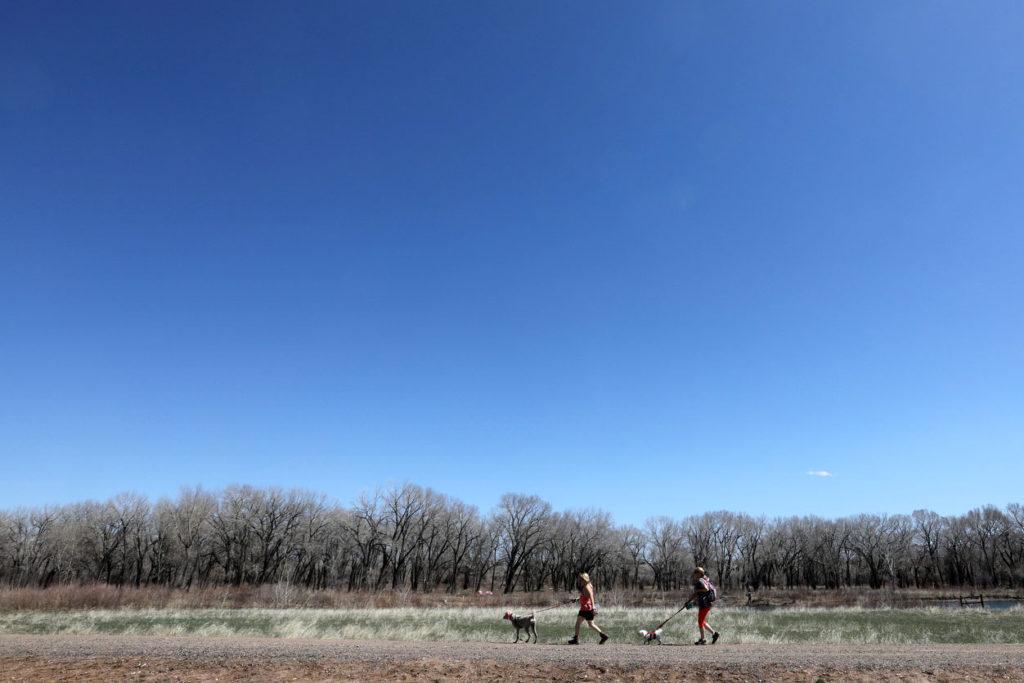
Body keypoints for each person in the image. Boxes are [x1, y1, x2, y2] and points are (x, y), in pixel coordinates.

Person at [567, 572, 609, 644]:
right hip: (587, 607)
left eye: (582, 579)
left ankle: (576, 639)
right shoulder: (588, 585)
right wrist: (577, 599)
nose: (580, 580)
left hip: (586, 608)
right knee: (591, 624)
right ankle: (603, 636)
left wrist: (593, 607)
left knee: (578, 623)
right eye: (580, 579)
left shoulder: (586, 586)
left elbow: (591, 596)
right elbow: (584, 596)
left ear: (585, 579)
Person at [685, 567, 720, 645]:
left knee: (700, 622)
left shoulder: (700, 581)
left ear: (699, 574)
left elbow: (706, 589)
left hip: (705, 604)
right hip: (705, 603)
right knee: (702, 621)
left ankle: (703, 639)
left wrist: (697, 591)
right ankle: (714, 634)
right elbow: (696, 594)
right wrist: (689, 601)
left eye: (695, 573)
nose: (694, 575)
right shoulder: (704, 580)